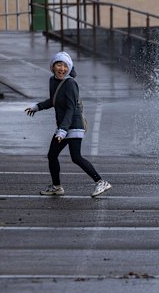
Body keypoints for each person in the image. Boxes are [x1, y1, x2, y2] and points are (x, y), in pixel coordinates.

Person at [25, 51, 112, 197]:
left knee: (76, 157)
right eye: (59, 64)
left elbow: (71, 108)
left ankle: (101, 182)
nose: (62, 68)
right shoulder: (53, 81)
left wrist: (63, 130)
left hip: (74, 124)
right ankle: (57, 187)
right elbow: (53, 101)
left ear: (69, 68)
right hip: (64, 126)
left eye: (66, 66)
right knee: (52, 155)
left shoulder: (70, 83)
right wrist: (37, 107)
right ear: (53, 66)